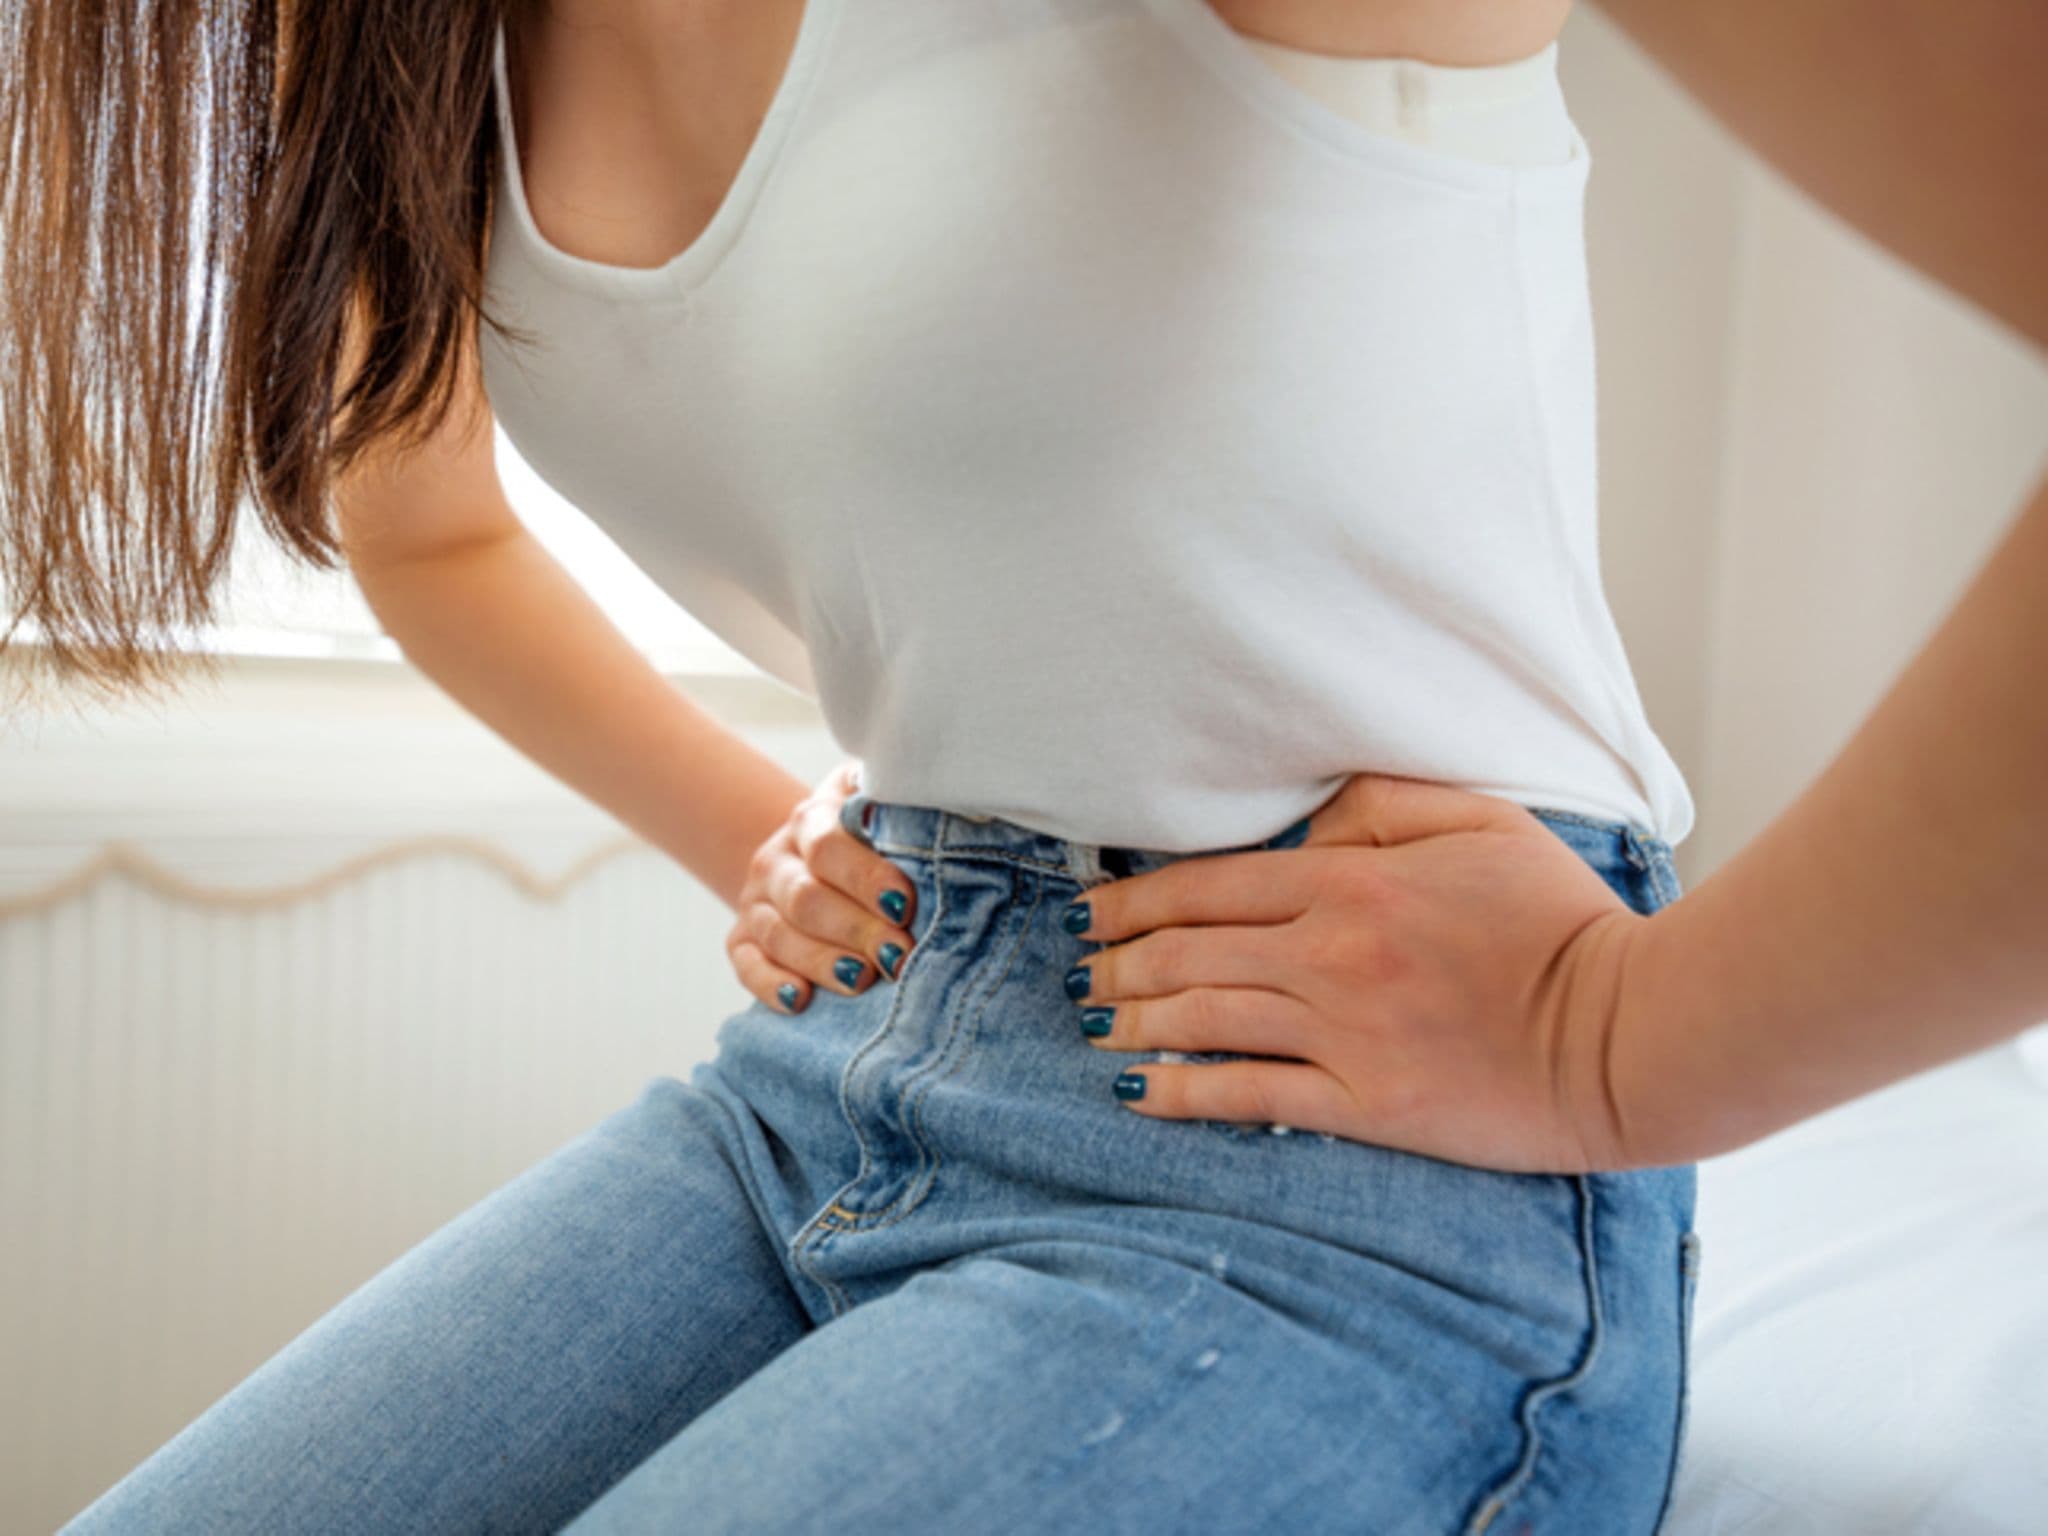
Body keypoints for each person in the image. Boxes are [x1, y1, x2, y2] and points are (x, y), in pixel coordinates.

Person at [5, 1, 2039, 1531]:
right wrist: (761, 829)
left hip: (1348, 1176)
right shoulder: (395, 35)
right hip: (832, 1081)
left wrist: (1629, 1044)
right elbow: (419, 523)